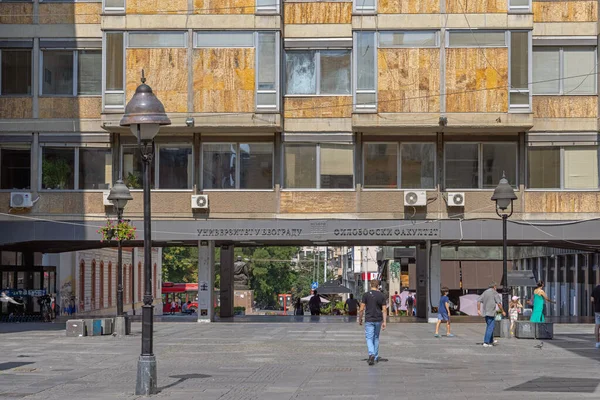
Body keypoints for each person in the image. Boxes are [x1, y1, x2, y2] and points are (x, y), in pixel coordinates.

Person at [359, 280, 387, 366]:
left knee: (369, 338)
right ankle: (375, 356)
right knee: (376, 338)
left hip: (369, 319)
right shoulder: (382, 295)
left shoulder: (366, 295)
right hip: (378, 319)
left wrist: (360, 318)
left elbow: (361, 308)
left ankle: (371, 354)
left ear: (370, 285)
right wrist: (384, 321)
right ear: (378, 285)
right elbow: (384, 309)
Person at [477, 282, 506, 347]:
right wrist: (502, 311)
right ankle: (486, 341)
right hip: (491, 312)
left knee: (490, 326)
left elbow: (478, 301)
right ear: (494, 287)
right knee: (490, 327)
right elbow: (499, 303)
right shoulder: (494, 293)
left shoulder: (485, 292)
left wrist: (478, 310)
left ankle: (490, 341)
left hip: (485, 312)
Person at [590, 283, 600, 348]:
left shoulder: (595, 288)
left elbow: (592, 300)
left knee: (597, 326)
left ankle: (597, 343)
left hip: (597, 310)